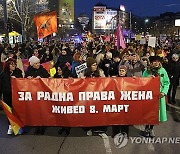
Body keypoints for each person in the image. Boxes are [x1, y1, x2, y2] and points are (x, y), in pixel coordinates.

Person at [141, 56, 170, 138]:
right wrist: (149, 80)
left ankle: (151, 129)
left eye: (158, 61)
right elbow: (142, 81)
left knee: (155, 113)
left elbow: (166, 83)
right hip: (149, 95)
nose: (156, 63)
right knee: (148, 112)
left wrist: (164, 92)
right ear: (151, 62)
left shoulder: (162, 70)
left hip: (159, 95)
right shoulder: (147, 71)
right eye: (154, 61)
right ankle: (146, 128)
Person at [25, 56, 50, 135]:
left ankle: (42, 126)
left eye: (38, 63)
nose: (38, 64)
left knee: (43, 110)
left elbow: (48, 78)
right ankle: (37, 126)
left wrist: (41, 78)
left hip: (42, 94)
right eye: (36, 63)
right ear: (32, 64)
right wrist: (27, 78)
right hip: (34, 94)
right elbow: (23, 81)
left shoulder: (42, 69)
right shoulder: (28, 71)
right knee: (36, 110)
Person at [0, 58, 23, 135]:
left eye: (14, 64)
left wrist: (16, 79)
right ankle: (10, 126)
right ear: (8, 65)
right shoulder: (3, 74)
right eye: (12, 64)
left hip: (16, 95)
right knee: (9, 112)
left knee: (17, 111)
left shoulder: (18, 72)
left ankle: (19, 127)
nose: (14, 66)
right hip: (7, 95)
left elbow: (22, 81)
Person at [112, 65, 129, 138]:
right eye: (120, 71)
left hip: (125, 101)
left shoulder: (129, 79)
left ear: (126, 72)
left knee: (125, 118)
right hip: (116, 101)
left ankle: (125, 132)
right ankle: (116, 132)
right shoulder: (115, 79)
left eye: (123, 71)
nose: (121, 72)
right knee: (115, 117)